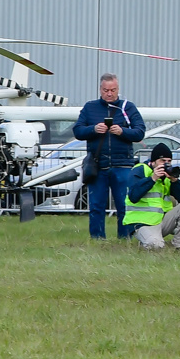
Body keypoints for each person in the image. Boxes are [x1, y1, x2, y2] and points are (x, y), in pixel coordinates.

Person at [72, 73, 146, 240]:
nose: (109, 94)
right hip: (98, 165)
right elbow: (77, 131)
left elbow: (140, 131)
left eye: (113, 90)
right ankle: (97, 238)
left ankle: (125, 238)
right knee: (96, 205)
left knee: (124, 205)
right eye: (106, 90)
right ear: (100, 89)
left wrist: (122, 131)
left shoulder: (128, 108)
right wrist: (93, 129)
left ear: (118, 89)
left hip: (123, 165)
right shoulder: (90, 108)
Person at [124, 144, 180, 251]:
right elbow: (133, 196)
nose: (166, 164)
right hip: (142, 223)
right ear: (153, 162)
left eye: (169, 161)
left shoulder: (167, 177)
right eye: (162, 161)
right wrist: (152, 178)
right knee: (155, 246)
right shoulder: (140, 170)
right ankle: (148, 241)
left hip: (162, 220)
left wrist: (174, 181)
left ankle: (176, 245)